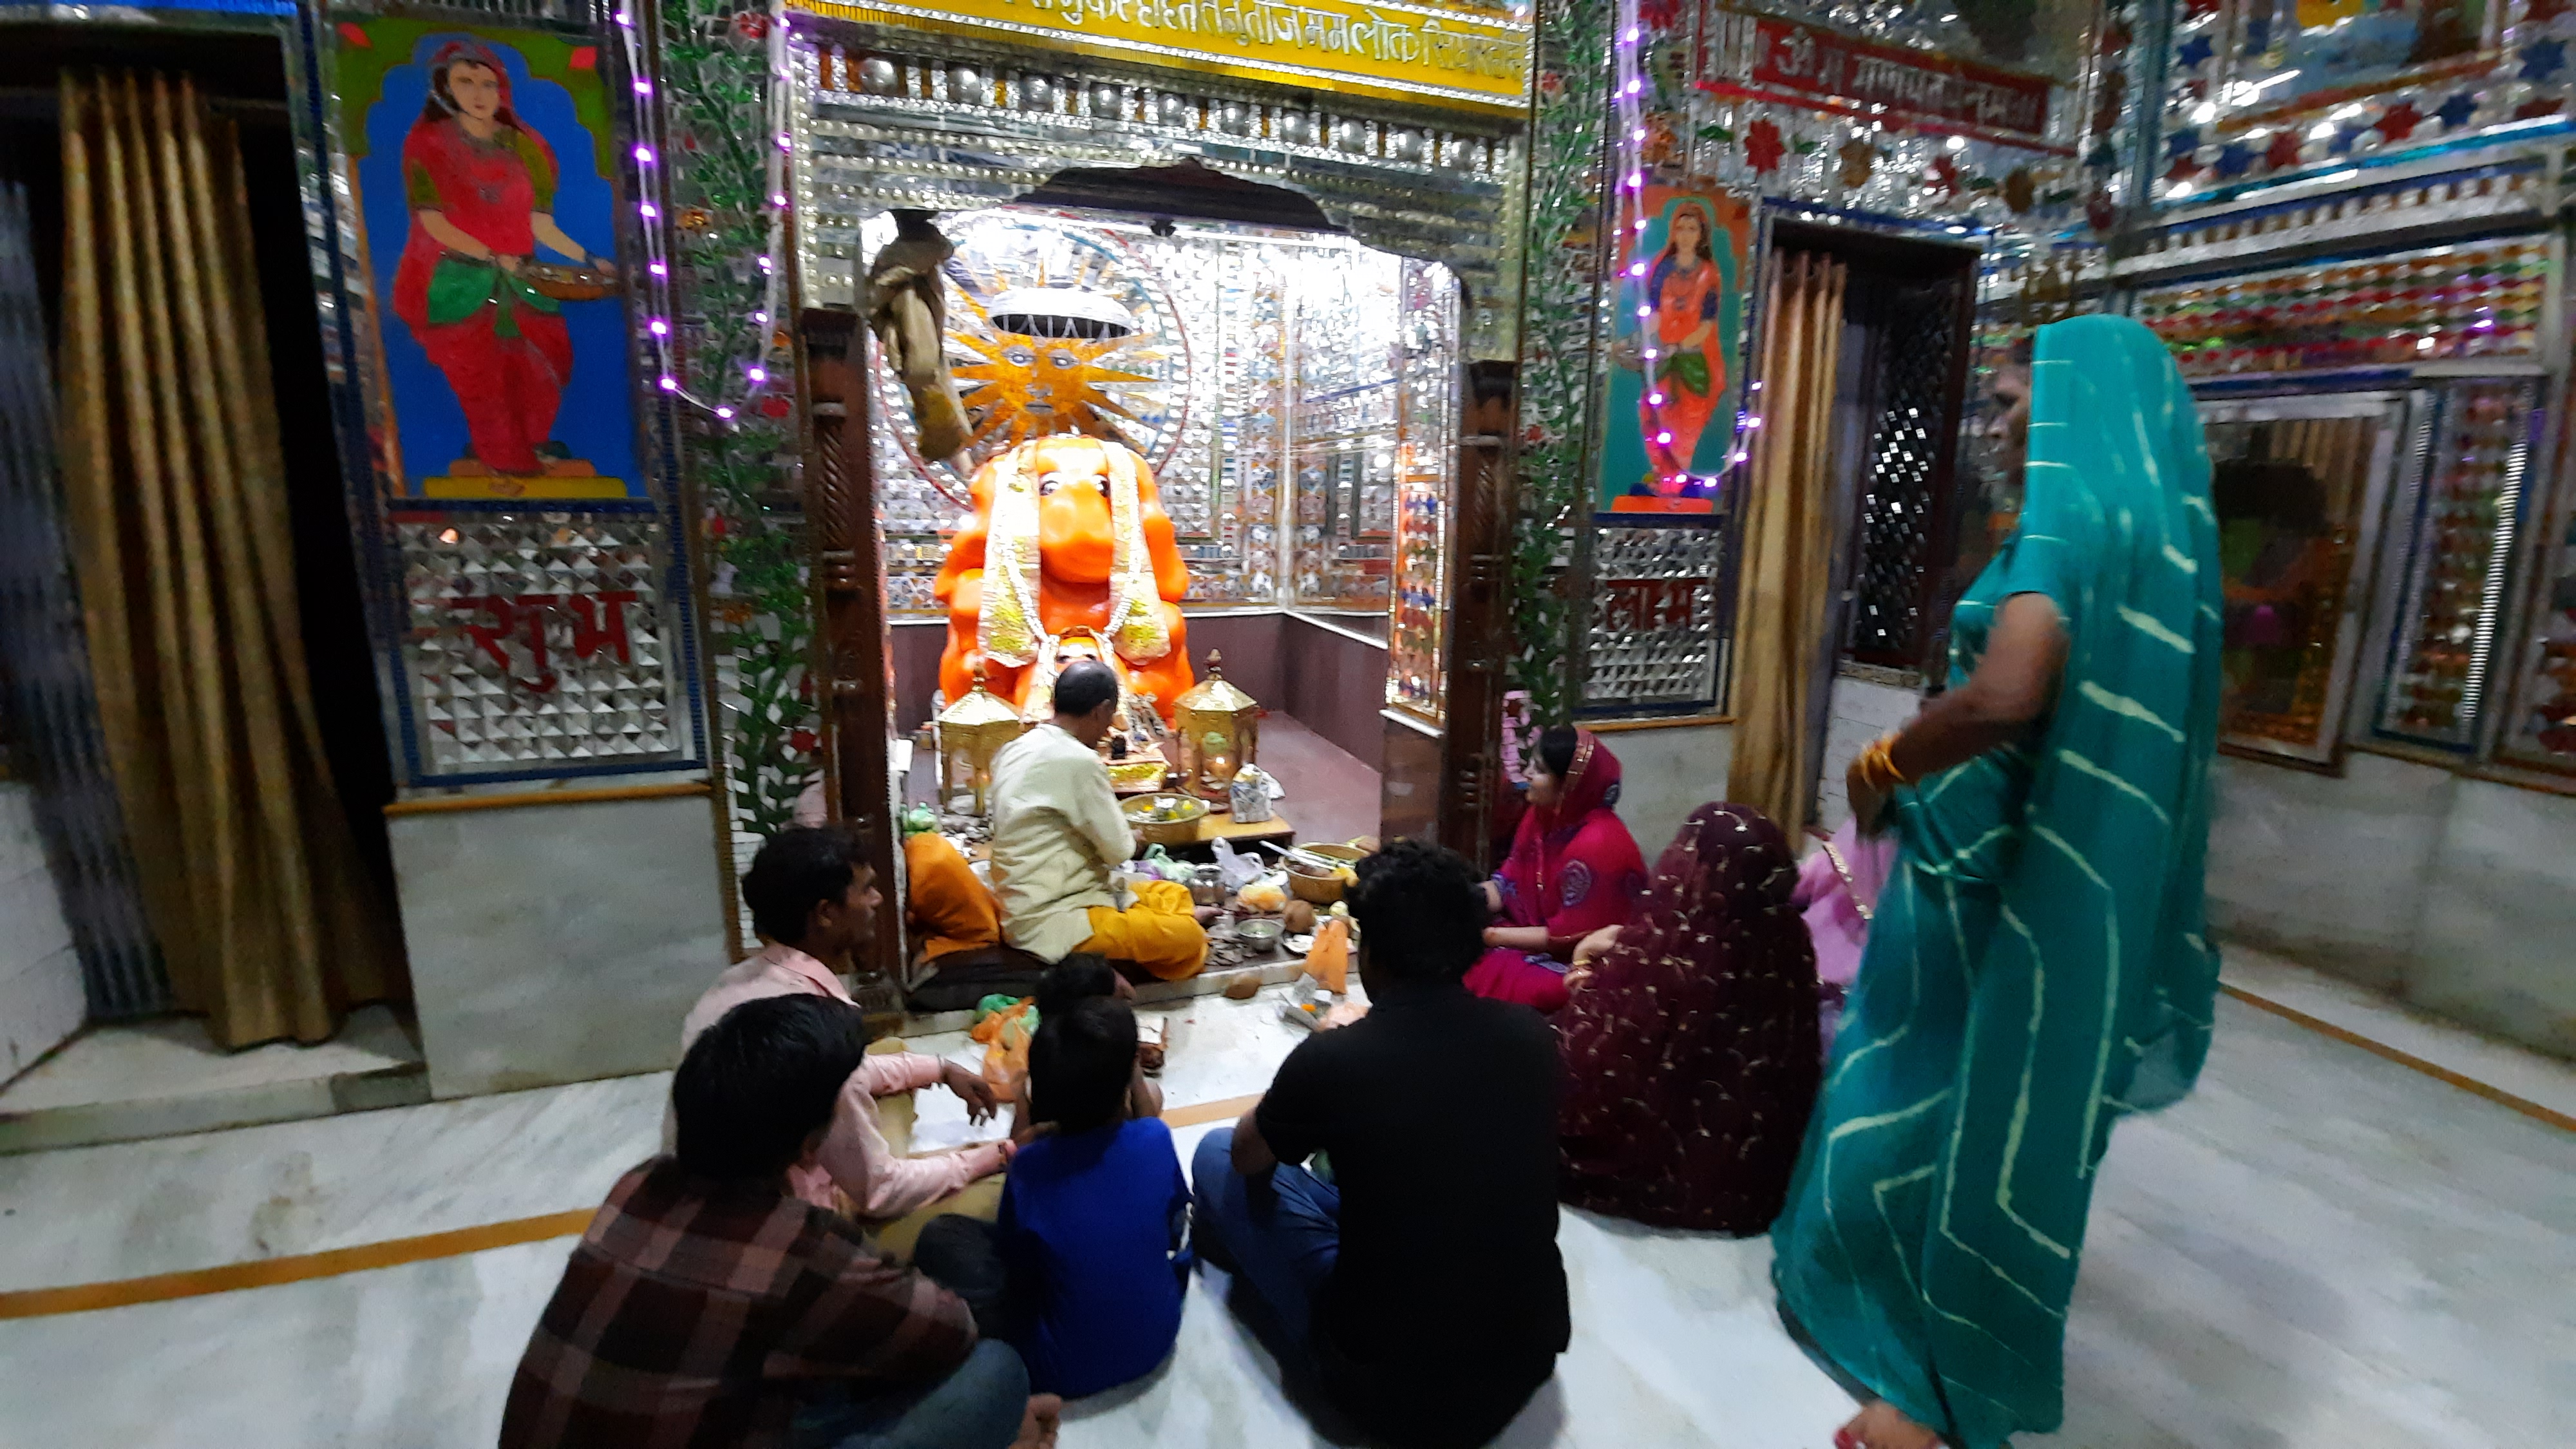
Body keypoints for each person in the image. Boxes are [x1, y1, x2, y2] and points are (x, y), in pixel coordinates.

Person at [1770, 314, 2224, 1449]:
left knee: (1915, 1088)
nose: (2002, 422)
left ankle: (1916, 1364)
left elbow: (2009, 691)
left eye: (2021, 402)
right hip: (2034, 863)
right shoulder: (2156, 545)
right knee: (1991, 1097)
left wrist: (1883, 762)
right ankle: (1921, 1335)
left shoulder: (2068, 524)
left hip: (1980, 872)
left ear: (2078, 414)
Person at [500, 994, 1060, 1449]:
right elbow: (948, 1332)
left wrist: (937, 1066)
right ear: (810, 1143)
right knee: (997, 1372)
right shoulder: (796, 1246)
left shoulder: (637, 1184)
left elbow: (867, 1073)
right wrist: (1001, 1154)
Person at [1193, 839, 1568, 1449]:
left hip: (1388, 1391)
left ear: (1377, 955)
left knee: (1216, 1155)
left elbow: (1246, 1157)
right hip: (1528, 1353)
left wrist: (1324, 1052)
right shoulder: (1531, 1036)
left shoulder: (1339, 1058)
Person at [685, 825, 1014, 1235]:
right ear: (826, 913)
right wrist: (997, 1155)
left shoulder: (734, 985)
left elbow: (836, 1075)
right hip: (792, 1231)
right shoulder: (813, 1019)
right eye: (866, 890)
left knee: (890, 1052)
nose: (877, 900)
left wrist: (942, 1068)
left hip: (718, 1196)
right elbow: (878, 1194)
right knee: (1005, 1187)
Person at [1554, 802, 1821, 1232]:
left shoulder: (1671, 947)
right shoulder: (1790, 939)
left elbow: (1596, 1072)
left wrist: (1583, 963)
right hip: (1749, 1175)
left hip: (1647, 1172)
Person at [915, 995, 1191, 1399]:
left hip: (1057, 1372)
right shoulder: (1155, 1137)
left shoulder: (1031, 1164)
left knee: (941, 1236)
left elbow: (1019, 1262)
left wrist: (1023, 1104)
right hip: (1159, 1339)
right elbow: (1170, 1224)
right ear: (1127, 1082)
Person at [392, 41, 605, 481]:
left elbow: (542, 225)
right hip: (463, 280)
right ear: (445, 89)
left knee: (553, 359)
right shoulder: (427, 145)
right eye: (465, 82)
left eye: (488, 83)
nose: (479, 93)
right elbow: (432, 222)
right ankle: (506, 460)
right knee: (482, 376)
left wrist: (589, 259)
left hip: (526, 277)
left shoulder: (527, 147)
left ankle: (531, 444)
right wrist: (492, 257)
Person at [979, 659, 1209, 980]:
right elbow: (1118, 851)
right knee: (1189, 939)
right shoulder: (1080, 761)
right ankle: (1100, 966)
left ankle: (1148, 930)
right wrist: (1134, 838)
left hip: (1035, 898)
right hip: (1053, 917)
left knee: (1173, 894)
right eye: (1109, 719)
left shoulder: (1015, 748)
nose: (1108, 731)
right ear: (1101, 711)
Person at [1466, 726, 1648, 1012]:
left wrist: (1489, 936)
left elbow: (1569, 936)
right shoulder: (1540, 817)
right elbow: (1508, 880)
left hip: (1583, 962)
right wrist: (1460, 901)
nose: (1526, 774)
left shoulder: (1599, 844)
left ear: (1569, 785)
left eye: (1538, 770)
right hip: (1524, 939)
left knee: (1486, 970)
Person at [1638, 197, 1727, 494]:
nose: (1686, 234)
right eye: (1681, 228)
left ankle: (1677, 481)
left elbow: (1707, 324)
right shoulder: (1662, 269)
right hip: (1662, 355)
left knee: (1685, 421)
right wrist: (1638, 340)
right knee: (1653, 415)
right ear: (1674, 233)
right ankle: (1659, 475)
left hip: (1693, 358)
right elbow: (1654, 313)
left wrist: (1680, 345)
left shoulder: (1709, 274)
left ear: (1701, 234)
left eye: (1692, 228)